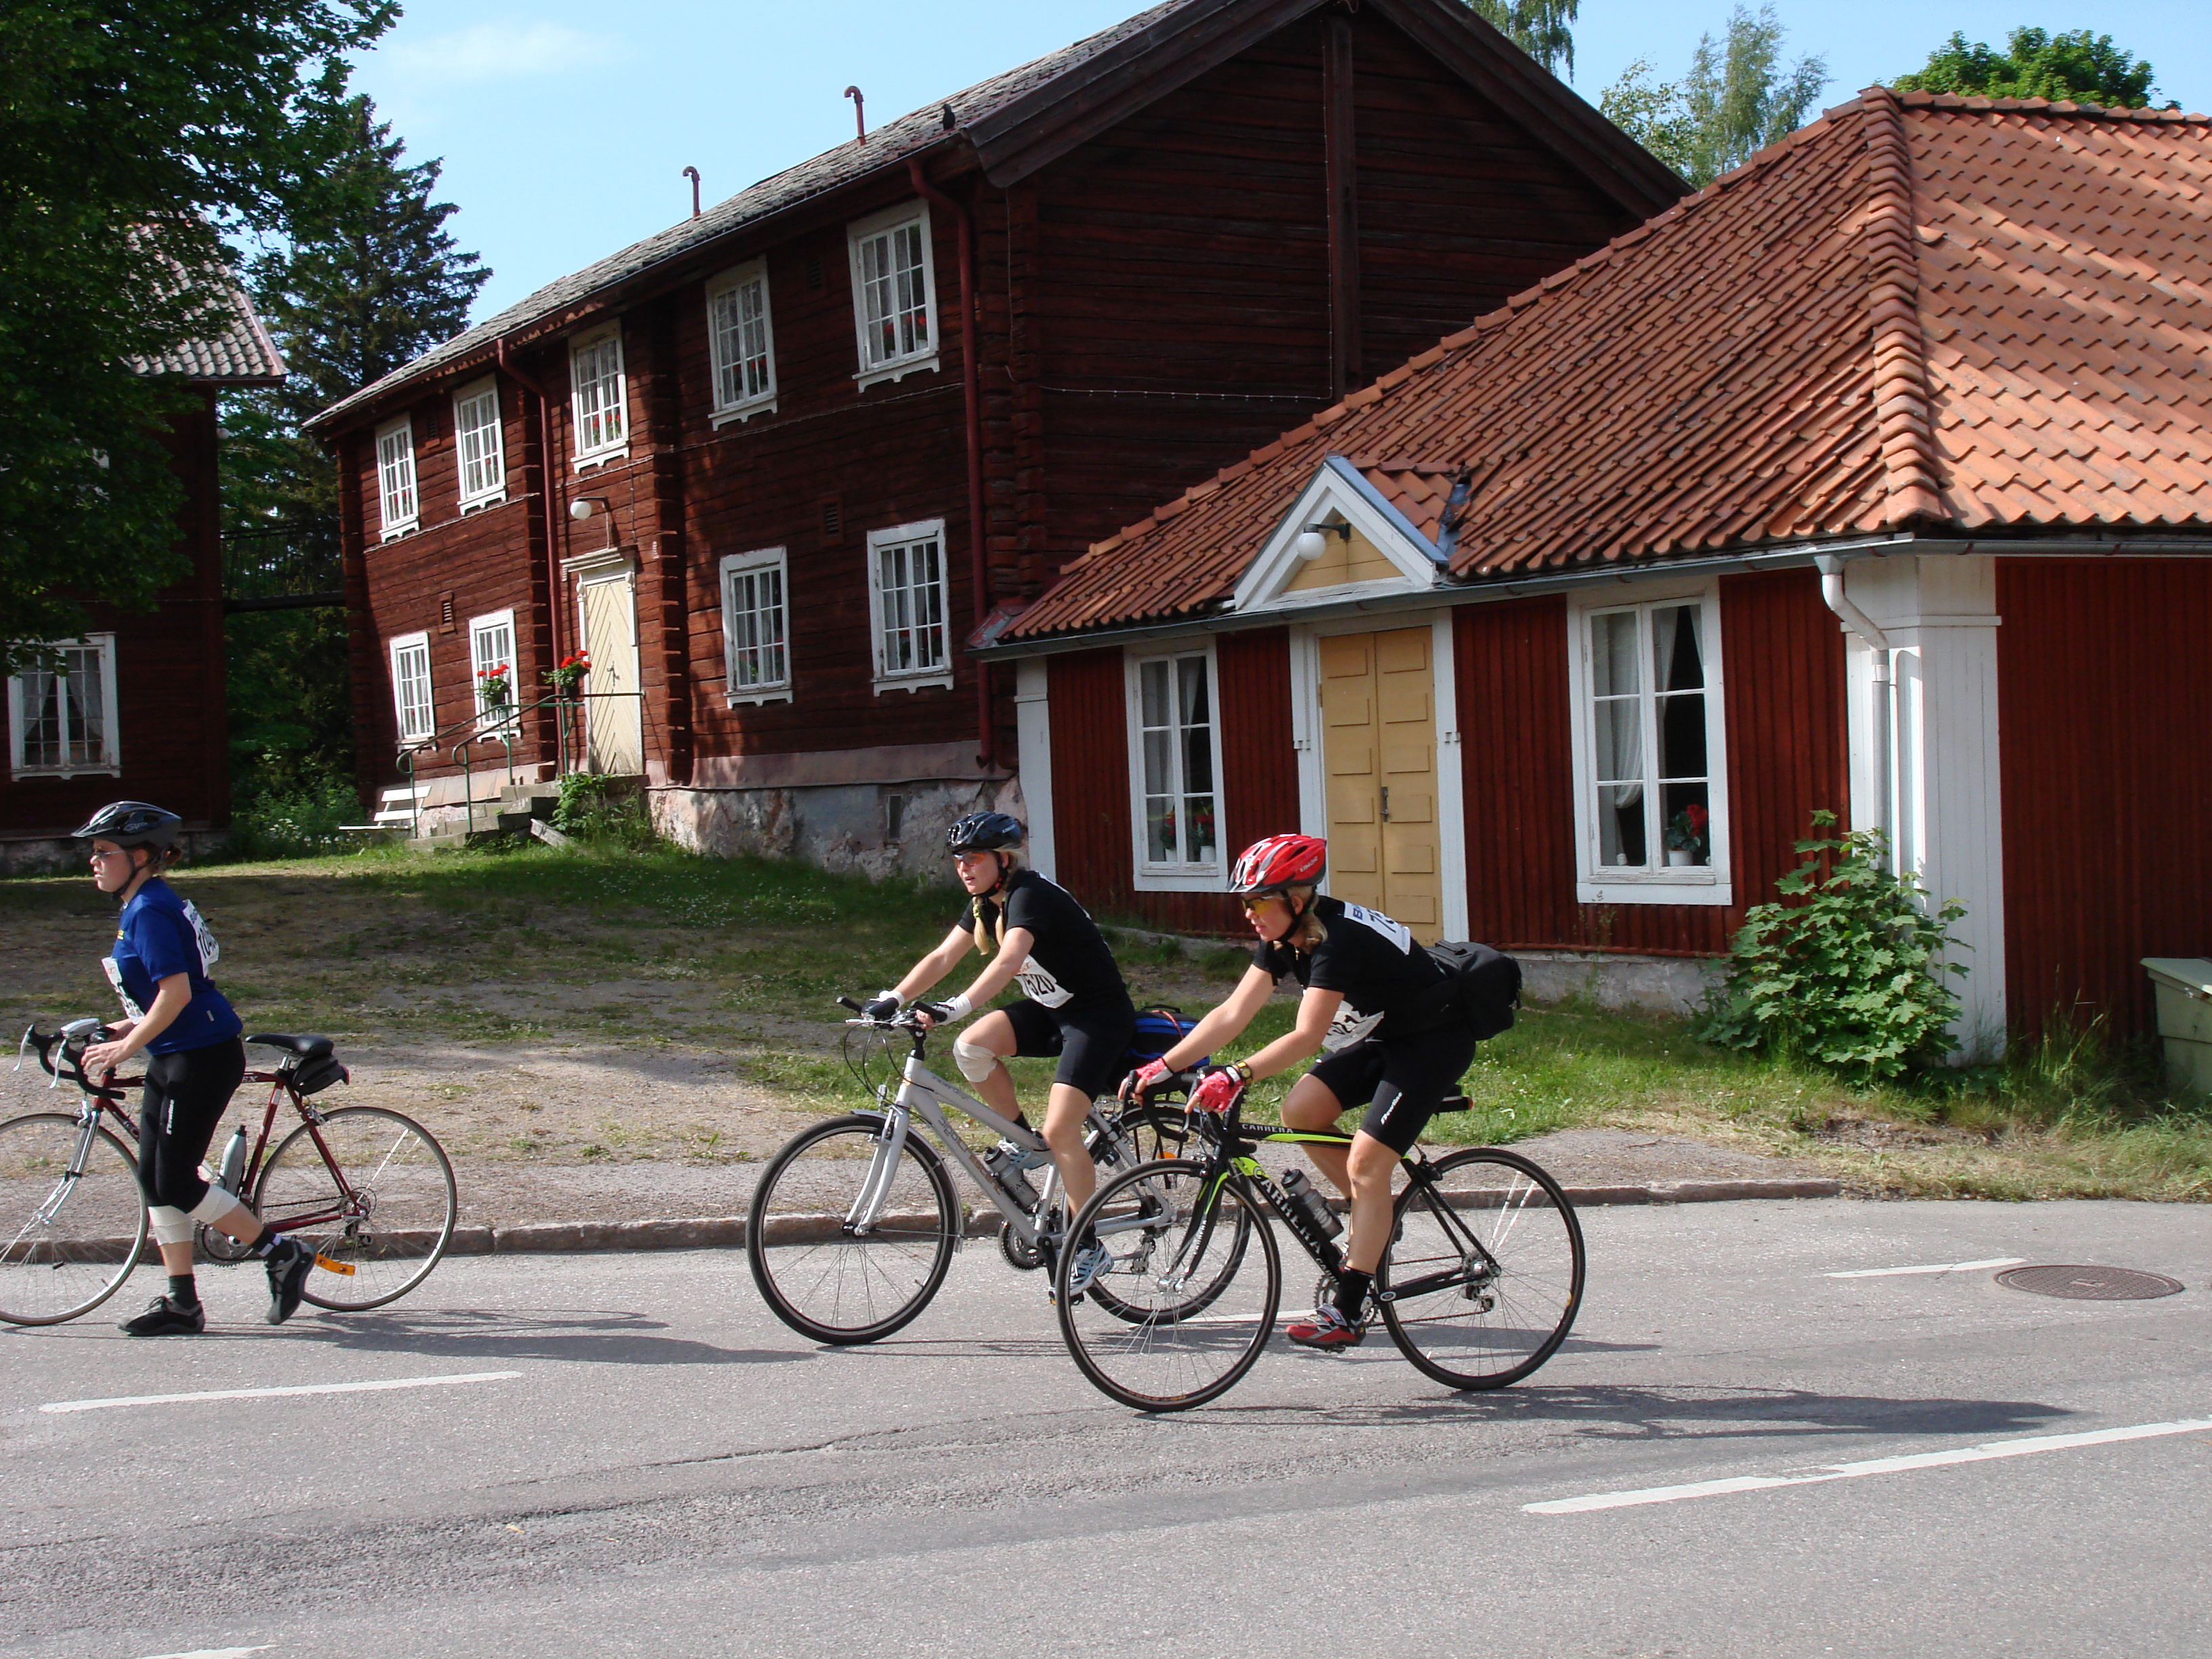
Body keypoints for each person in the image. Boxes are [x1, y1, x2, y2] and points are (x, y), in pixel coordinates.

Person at [1126, 833, 1476, 1349]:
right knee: (1300, 1110)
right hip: (1380, 1035)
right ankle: (1374, 1221)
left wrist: (1238, 1074)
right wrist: (1163, 1064)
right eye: (1245, 902)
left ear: (1295, 898)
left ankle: (1350, 1311)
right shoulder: (1282, 938)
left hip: (1433, 1042)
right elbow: (1231, 1013)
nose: (1249, 913)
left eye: (1258, 901)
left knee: (1366, 1164)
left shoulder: (1336, 940)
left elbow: (1307, 1035)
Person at [861, 811, 1137, 1294]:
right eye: (959, 859)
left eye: (975, 857)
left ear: (1002, 860)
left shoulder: (1030, 896)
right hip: (1054, 1011)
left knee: (1063, 1127)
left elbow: (1009, 961)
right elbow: (943, 956)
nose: (964, 867)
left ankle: (1088, 1245)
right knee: (972, 1048)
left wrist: (955, 1006)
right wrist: (895, 997)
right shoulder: (985, 903)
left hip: (1097, 1018)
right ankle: (1025, 1142)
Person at [71, 802, 314, 1336]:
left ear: (140, 856)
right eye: (92, 852)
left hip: (200, 1056)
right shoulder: (142, 903)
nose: (93, 861)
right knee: (155, 1180)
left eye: (102, 852)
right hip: (175, 1050)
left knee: (178, 1180)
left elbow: (177, 994)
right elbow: (171, 994)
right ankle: (183, 1302)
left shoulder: (149, 909)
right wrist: (120, 1030)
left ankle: (282, 1252)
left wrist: (126, 1046)